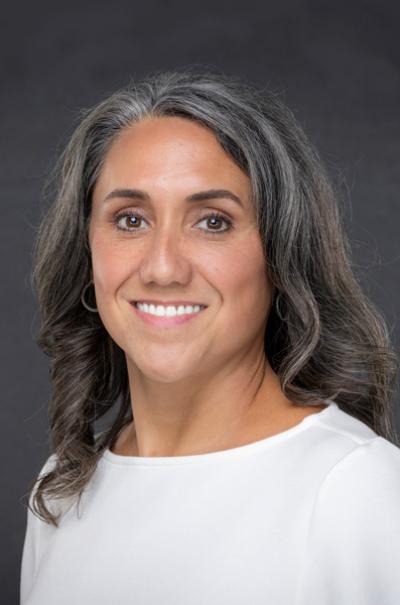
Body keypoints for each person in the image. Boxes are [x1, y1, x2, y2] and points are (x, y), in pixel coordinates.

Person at [20, 68, 400, 604]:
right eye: (130, 219)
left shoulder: (358, 491)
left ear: (280, 253)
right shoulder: (61, 490)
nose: (163, 267)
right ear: (87, 253)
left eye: (213, 221)